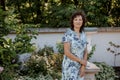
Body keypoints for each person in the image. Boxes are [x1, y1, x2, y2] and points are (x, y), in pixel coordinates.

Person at [62, 10, 88, 80]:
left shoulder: (83, 34)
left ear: (83, 22)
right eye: (76, 19)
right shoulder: (68, 34)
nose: (78, 21)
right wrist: (80, 60)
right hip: (70, 66)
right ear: (72, 21)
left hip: (80, 66)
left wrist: (83, 66)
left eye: (80, 19)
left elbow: (85, 51)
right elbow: (67, 52)